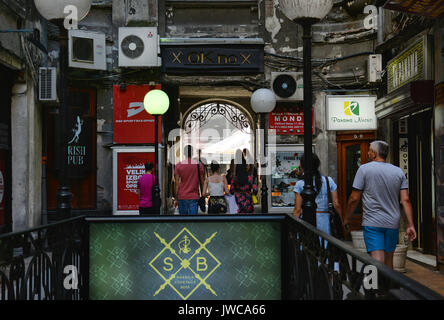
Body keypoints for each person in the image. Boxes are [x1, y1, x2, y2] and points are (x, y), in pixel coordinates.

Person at [343, 140, 417, 269]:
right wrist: (411, 225)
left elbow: (354, 198)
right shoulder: (398, 171)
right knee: (389, 261)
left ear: (374, 153)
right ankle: (388, 288)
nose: (368, 152)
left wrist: (347, 218)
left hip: (373, 223)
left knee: (377, 261)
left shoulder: (364, 169)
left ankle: (377, 288)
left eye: (370, 150)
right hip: (392, 223)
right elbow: (405, 200)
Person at [293, 153, 342, 236]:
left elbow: (297, 210)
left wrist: (293, 227)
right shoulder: (328, 180)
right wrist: (342, 220)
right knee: (325, 244)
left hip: (307, 220)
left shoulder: (300, 184)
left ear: (302, 166)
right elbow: (336, 204)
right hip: (326, 221)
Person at [174, 145, 206, 215]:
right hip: (194, 196)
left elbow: (176, 183)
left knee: (183, 220)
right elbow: (202, 181)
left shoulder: (178, 165)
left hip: (182, 196)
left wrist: (176, 197)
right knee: (193, 221)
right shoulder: (199, 165)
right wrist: (203, 194)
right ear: (192, 153)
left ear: (184, 153)